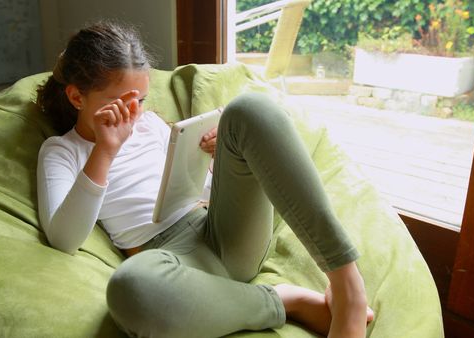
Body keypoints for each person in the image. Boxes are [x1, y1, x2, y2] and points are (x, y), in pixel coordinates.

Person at [36, 20, 373, 338]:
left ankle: (347, 285)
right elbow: (64, 239)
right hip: (171, 262)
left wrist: (216, 163)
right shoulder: (62, 151)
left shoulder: (151, 124)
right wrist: (105, 151)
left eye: (139, 101)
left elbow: (199, 191)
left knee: (249, 110)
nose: (133, 114)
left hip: (224, 231)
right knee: (129, 288)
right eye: (119, 103)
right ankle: (284, 301)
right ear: (77, 97)